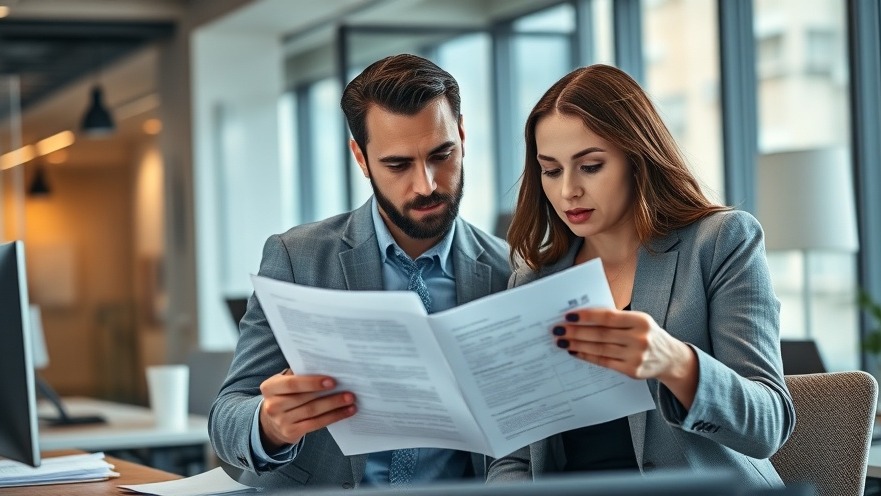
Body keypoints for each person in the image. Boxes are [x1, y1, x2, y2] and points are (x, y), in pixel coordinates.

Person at [209, 54, 511, 490]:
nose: (426, 185)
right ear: (361, 158)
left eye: (441, 155)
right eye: (398, 164)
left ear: (462, 136)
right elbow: (226, 414)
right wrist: (271, 424)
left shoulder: (508, 271)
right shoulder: (299, 258)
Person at [486, 64, 795, 488]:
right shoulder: (533, 282)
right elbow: (514, 459)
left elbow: (769, 425)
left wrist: (674, 362)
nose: (567, 191)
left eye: (590, 166)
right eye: (551, 170)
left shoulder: (720, 242)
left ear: (637, 159)